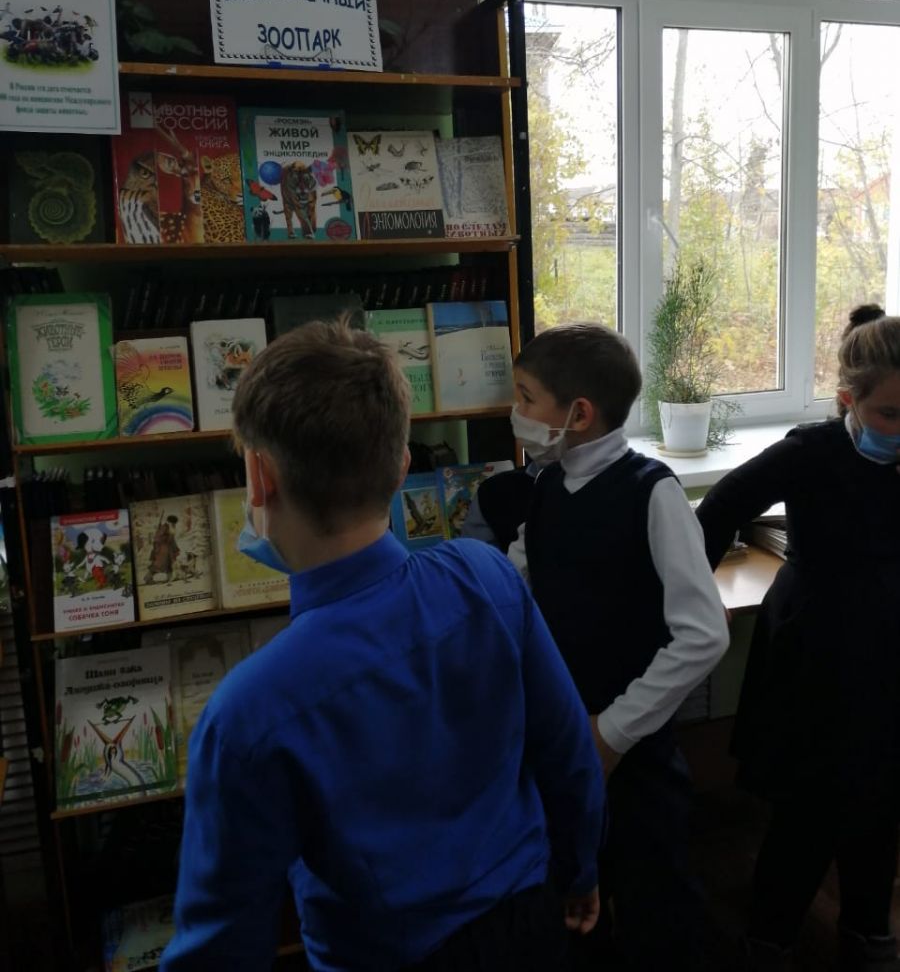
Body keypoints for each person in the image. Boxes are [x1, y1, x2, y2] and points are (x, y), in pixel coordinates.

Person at [160, 319, 606, 972]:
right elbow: (568, 755)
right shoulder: (486, 578)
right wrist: (580, 870)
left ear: (259, 476)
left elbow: (221, 947)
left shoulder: (245, 714)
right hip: (529, 924)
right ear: (401, 467)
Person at [466, 322, 730, 971]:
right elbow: (517, 581)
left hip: (634, 754)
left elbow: (703, 634)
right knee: (574, 900)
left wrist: (613, 733)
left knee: (656, 903)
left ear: (578, 415)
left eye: (526, 398)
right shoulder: (547, 486)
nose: (515, 411)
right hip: (561, 739)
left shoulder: (652, 491)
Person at [697, 304, 900, 972]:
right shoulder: (811, 451)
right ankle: (771, 938)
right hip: (818, 650)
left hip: (888, 650)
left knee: (880, 803)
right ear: (847, 401)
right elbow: (719, 508)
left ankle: (867, 932)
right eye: (889, 415)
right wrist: (695, 599)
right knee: (808, 810)